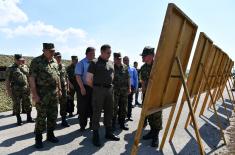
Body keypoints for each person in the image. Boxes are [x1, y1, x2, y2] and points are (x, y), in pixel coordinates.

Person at [86, 44, 120, 147]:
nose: (110, 54)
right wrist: (97, 88)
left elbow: (112, 76)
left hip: (109, 90)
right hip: (98, 90)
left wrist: (108, 87)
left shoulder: (111, 63)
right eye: (108, 53)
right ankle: (95, 135)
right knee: (97, 112)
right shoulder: (94, 62)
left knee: (109, 111)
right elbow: (88, 80)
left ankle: (108, 133)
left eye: (110, 52)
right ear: (102, 52)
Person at [29, 43, 60, 149]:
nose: (53, 53)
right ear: (44, 51)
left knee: (53, 115)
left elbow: (57, 77)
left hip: (53, 94)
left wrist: (59, 89)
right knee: (41, 117)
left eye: (54, 51)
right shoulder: (36, 61)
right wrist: (34, 95)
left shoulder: (54, 61)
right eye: (51, 51)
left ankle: (50, 135)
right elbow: (32, 78)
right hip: (42, 95)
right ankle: (38, 139)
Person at [140, 46, 162, 148]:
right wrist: (143, 90)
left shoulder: (158, 65)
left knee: (156, 115)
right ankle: (152, 132)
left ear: (151, 56)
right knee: (149, 114)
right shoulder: (143, 67)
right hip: (147, 95)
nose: (143, 57)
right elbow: (143, 81)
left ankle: (155, 136)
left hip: (157, 95)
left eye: (144, 55)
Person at [5, 54, 34, 125]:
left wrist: (30, 87)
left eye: (20, 60)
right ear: (15, 60)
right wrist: (9, 91)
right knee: (17, 105)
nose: (19, 61)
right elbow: (7, 81)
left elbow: (28, 77)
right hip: (16, 90)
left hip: (26, 89)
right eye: (18, 60)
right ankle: (19, 119)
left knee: (28, 103)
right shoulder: (10, 68)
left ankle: (29, 117)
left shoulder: (25, 67)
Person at [75, 47, 95, 131]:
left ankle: (92, 123)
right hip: (84, 87)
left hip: (93, 88)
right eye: (92, 53)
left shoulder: (95, 62)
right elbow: (78, 76)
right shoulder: (81, 63)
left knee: (93, 106)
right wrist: (82, 88)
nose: (93, 55)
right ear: (87, 53)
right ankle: (82, 125)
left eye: (94, 53)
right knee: (83, 107)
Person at [112, 52, 130, 131]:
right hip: (115, 91)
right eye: (118, 59)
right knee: (114, 108)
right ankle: (113, 124)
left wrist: (129, 88)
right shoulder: (111, 67)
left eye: (120, 59)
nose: (119, 60)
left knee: (123, 108)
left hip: (124, 91)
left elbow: (128, 78)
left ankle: (122, 124)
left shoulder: (125, 67)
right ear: (114, 59)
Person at [54, 52, 70, 127]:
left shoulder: (63, 66)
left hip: (63, 88)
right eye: (57, 57)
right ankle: (53, 121)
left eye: (60, 57)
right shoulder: (52, 66)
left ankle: (63, 120)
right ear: (54, 57)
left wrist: (68, 87)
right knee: (54, 105)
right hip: (55, 89)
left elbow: (66, 77)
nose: (59, 58)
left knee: (64, 104)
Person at [123, 56, 138, 121]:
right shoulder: (120, 68)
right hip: (122, 87)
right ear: (123, 61)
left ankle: (129, 115)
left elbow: (136, 78)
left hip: (130, 87)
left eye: (127, 60)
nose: (126, 61)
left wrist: (136, 88)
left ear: (129, 60)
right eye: (125, 60)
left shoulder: (133, 69)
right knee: (122, 102)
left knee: (129, 102)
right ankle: (122, 116)